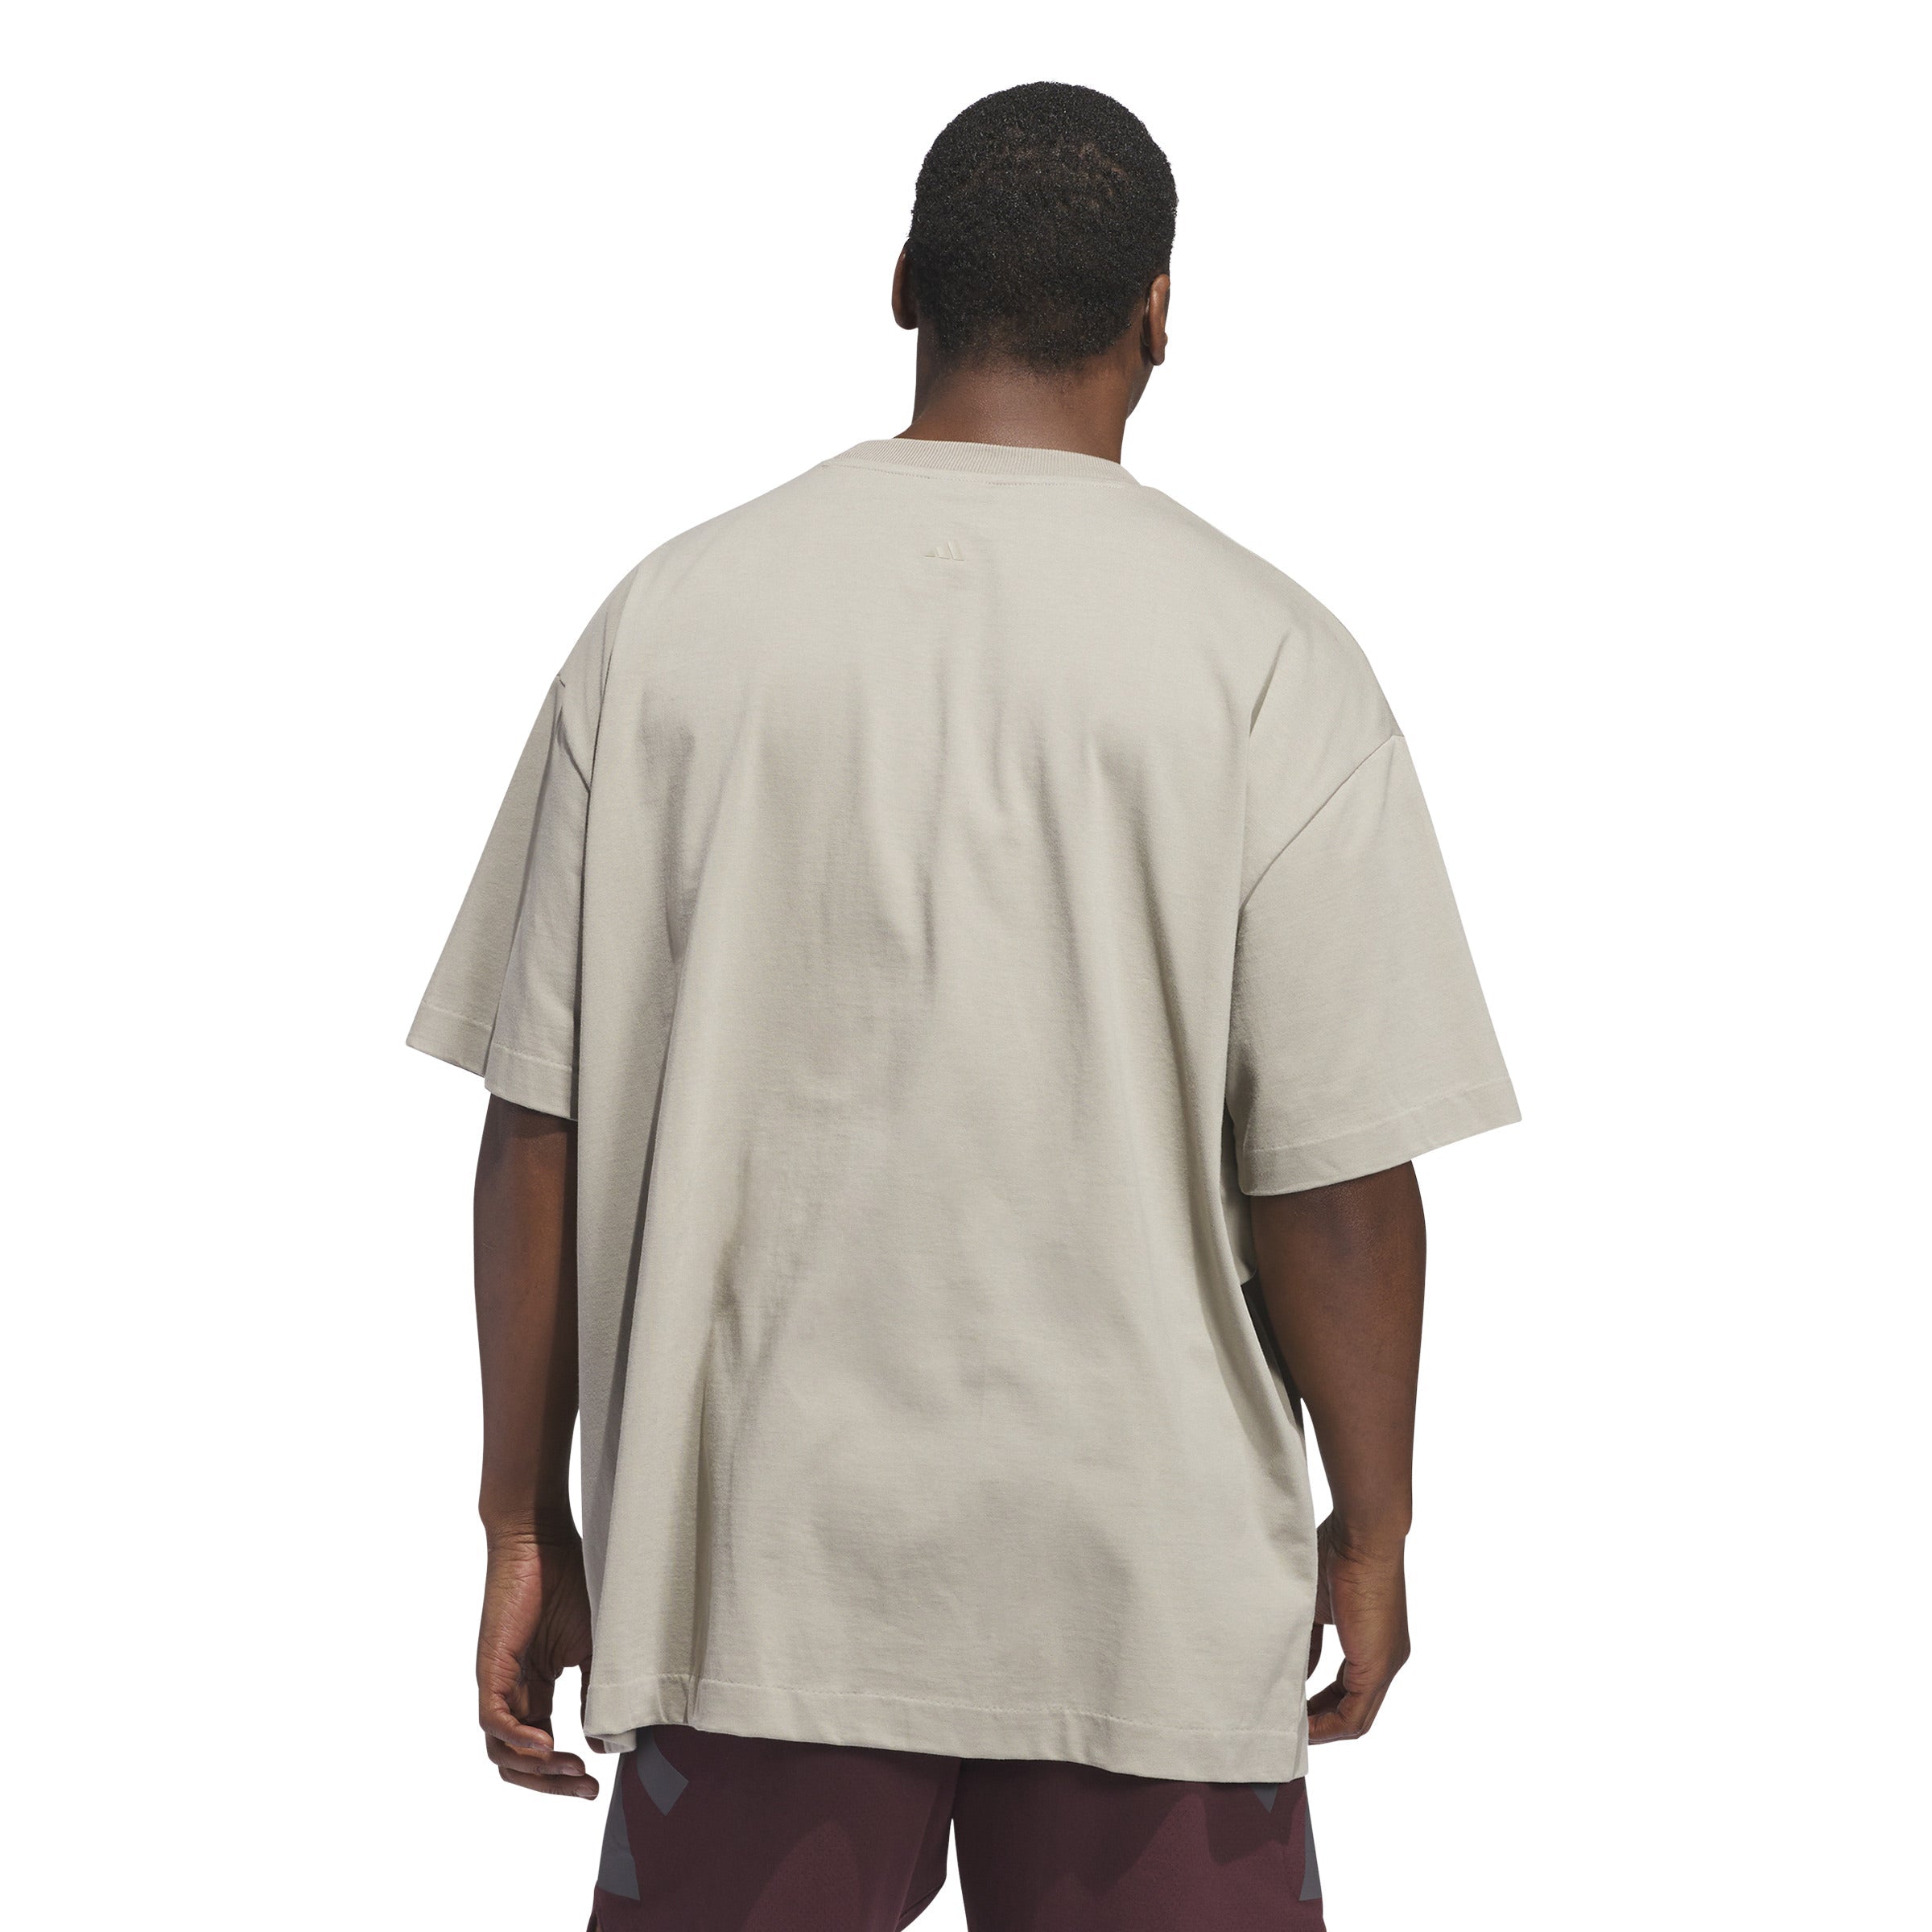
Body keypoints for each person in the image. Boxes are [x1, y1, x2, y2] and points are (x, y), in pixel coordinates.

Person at [408, 80, 1517, 1932]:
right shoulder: (1269, 663)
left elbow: (544, 1126)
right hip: (1148, 1595)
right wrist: (1378, 1526)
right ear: (1161, 313)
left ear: (906, 283)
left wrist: (526, 1519)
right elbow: (1335, 1184)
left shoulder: (672, 626)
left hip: (755, 1584)